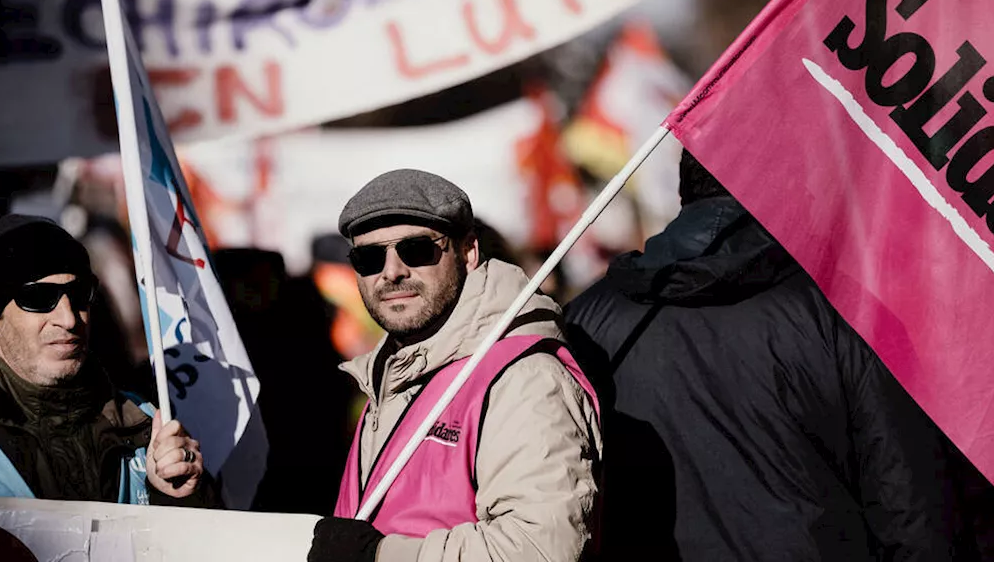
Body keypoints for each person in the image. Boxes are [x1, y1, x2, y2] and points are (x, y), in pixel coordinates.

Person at [563, 151, 957, 561]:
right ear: (785, 188)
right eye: (805, 185)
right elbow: (912, 513)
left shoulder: (585, 321)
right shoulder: (839, 313)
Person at [308, 169, 602, 562]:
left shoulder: (523, 378)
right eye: (369, 257)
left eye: (417, 250)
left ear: (468, 252)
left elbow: (538, 550)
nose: (392, 271)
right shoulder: (389, 372)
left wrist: (379, 555)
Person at [0, 215, 219, 515]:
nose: (69, 319)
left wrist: (179, 495)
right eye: (39, 298)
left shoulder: (146, 425)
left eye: (79, 296)